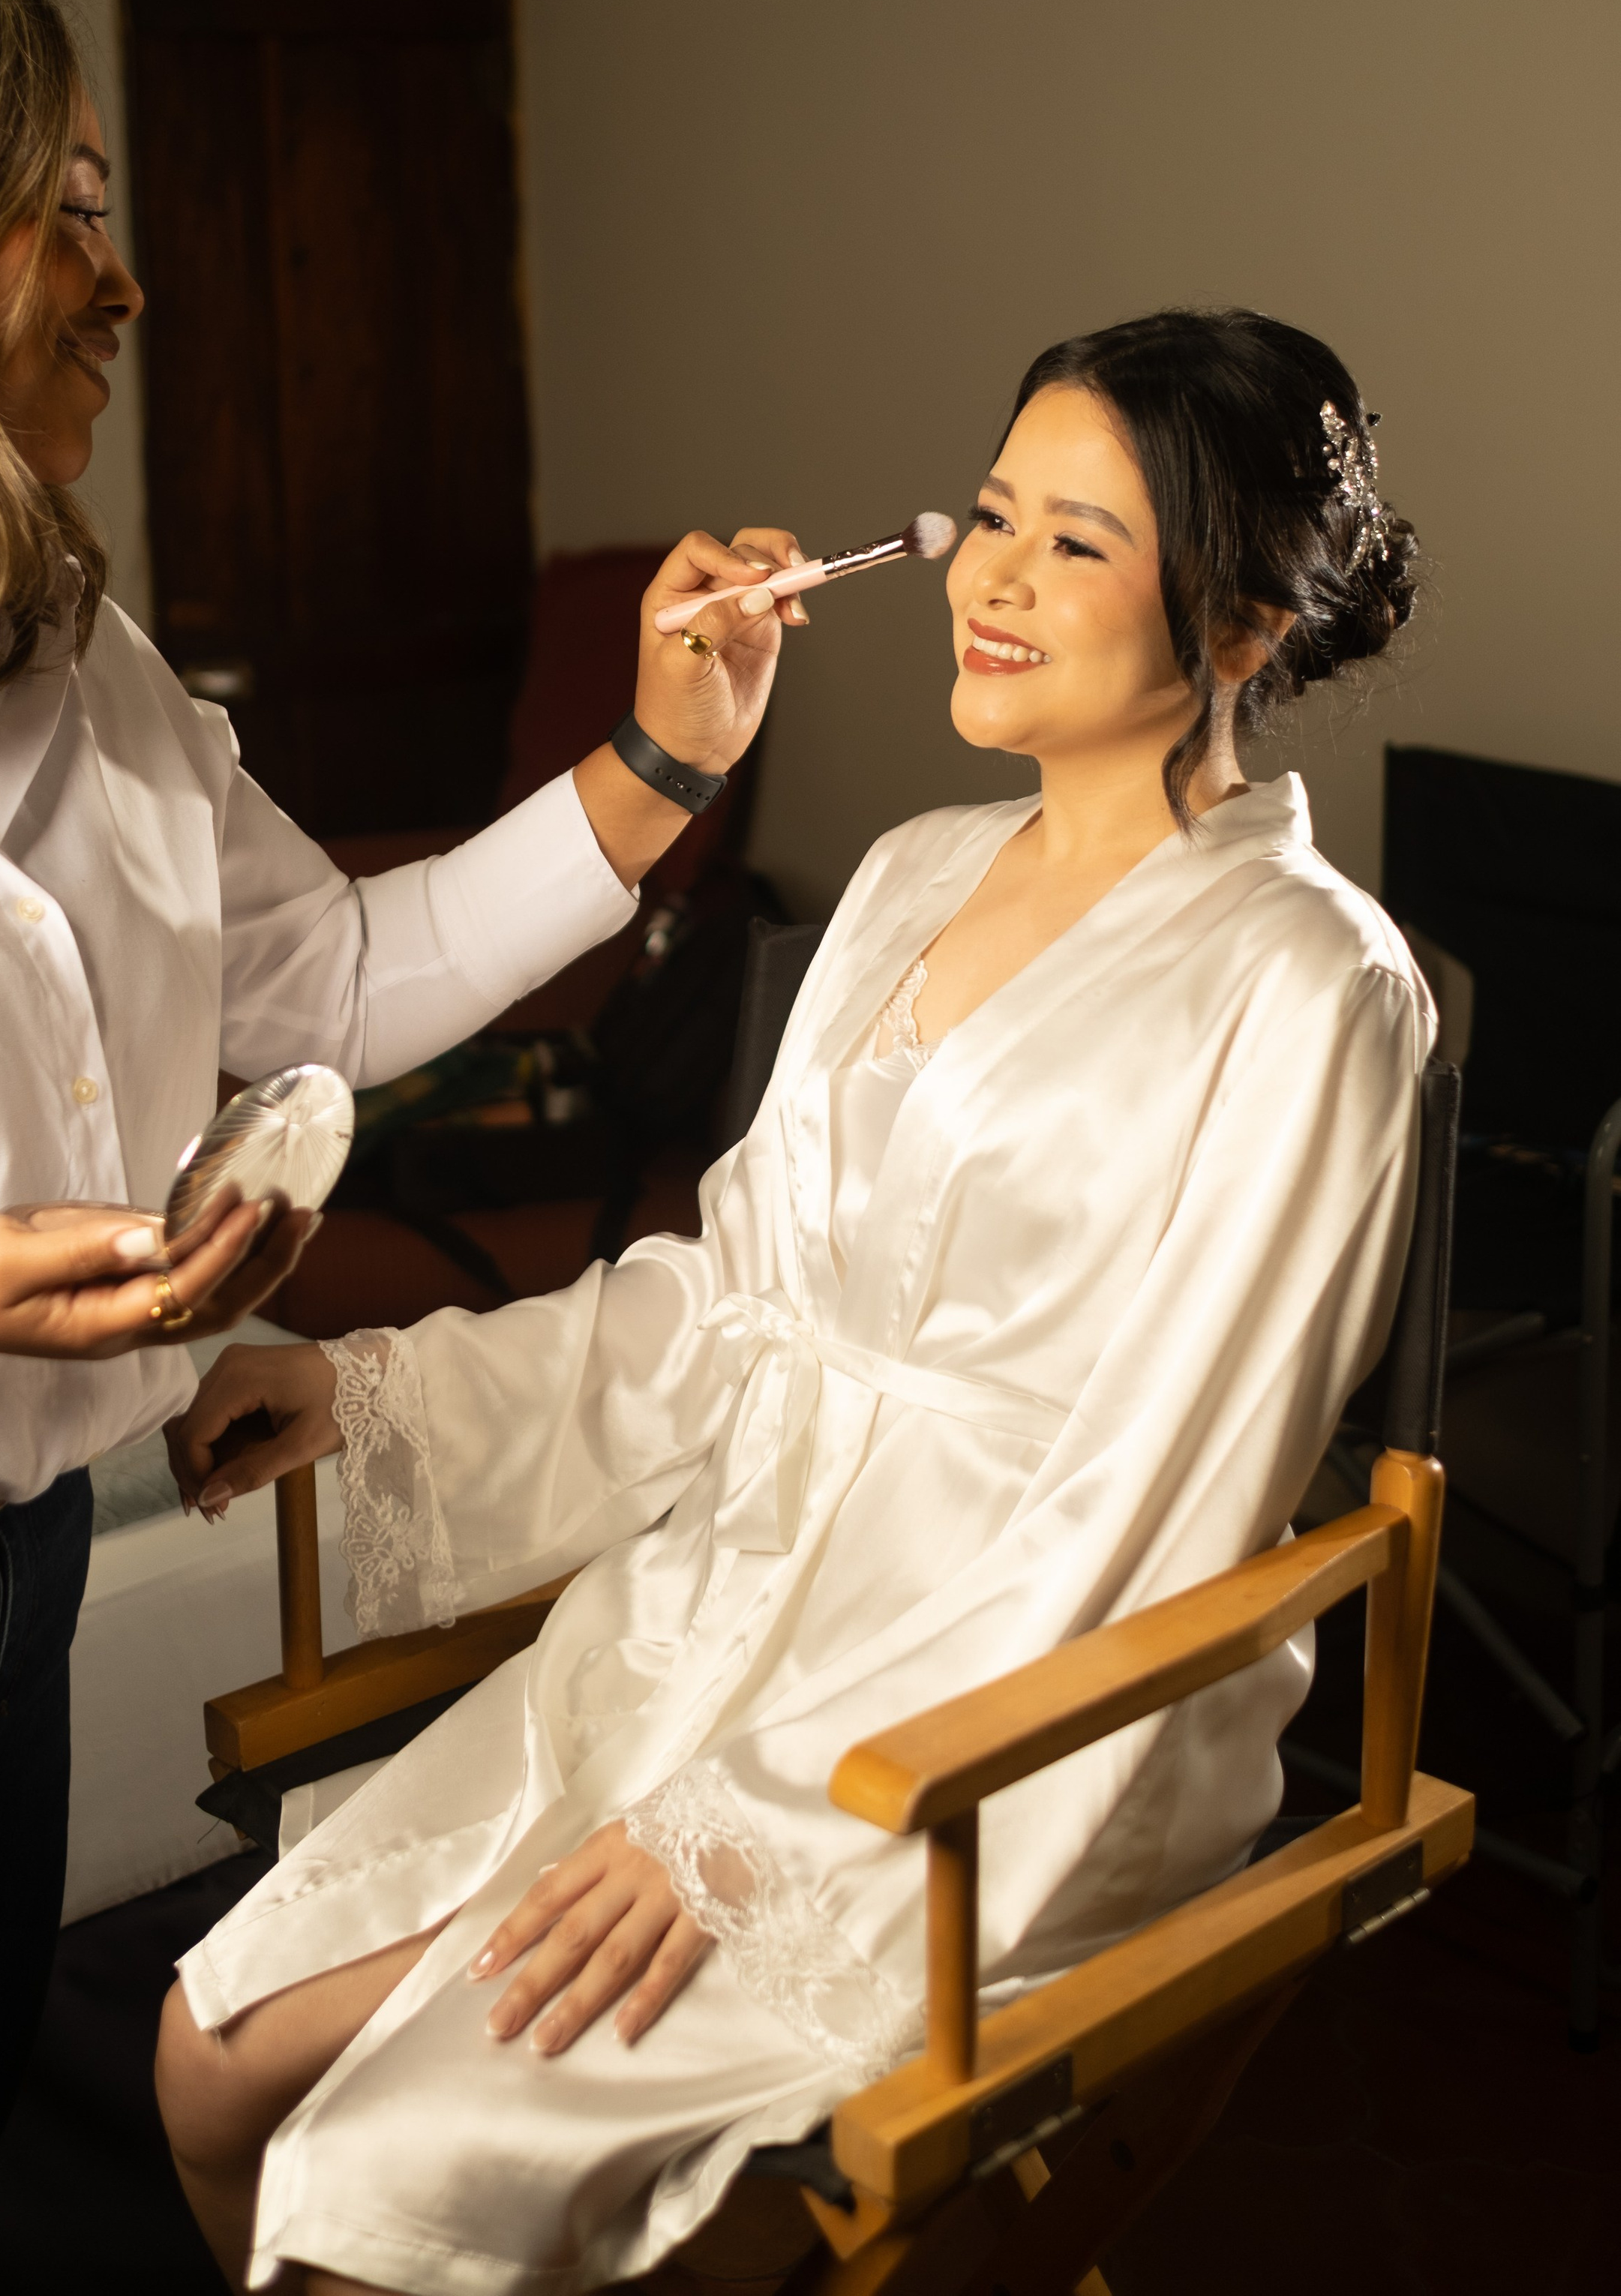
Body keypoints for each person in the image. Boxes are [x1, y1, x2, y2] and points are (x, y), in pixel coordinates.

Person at [0, 0, 802, 2296]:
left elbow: (334, 975)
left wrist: (651, 771)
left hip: (12, 1616)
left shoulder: (76, 660)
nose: (129, 284)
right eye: (64, 212)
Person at [156, 308, 1431, 2296]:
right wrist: (374, 1395)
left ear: (1250, 618)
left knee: (387, 2202)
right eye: (993, 515)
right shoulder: (916, 875)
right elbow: (737, 1305)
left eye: (1078, 546)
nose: (994, 580)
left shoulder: (1311, 991)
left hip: (986, 1749)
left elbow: (1155, 1512)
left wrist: (754, 1839)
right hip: (710, 1627)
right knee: (210, 2063)